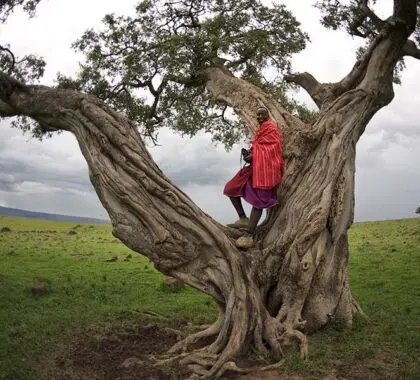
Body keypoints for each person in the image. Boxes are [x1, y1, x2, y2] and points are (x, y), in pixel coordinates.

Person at [223, 107, 285, 249]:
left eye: (262, 115)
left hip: (266, 170)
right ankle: (243, 218)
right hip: (254, 168)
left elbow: (273, 150)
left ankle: (249, 235)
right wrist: (249, 155)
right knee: (231, 188)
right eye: (258, 115)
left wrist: (255, 154)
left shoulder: (271, 129)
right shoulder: (261, 130)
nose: (259, 117)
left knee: (259, 202)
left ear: (267, 115)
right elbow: (259, 149)